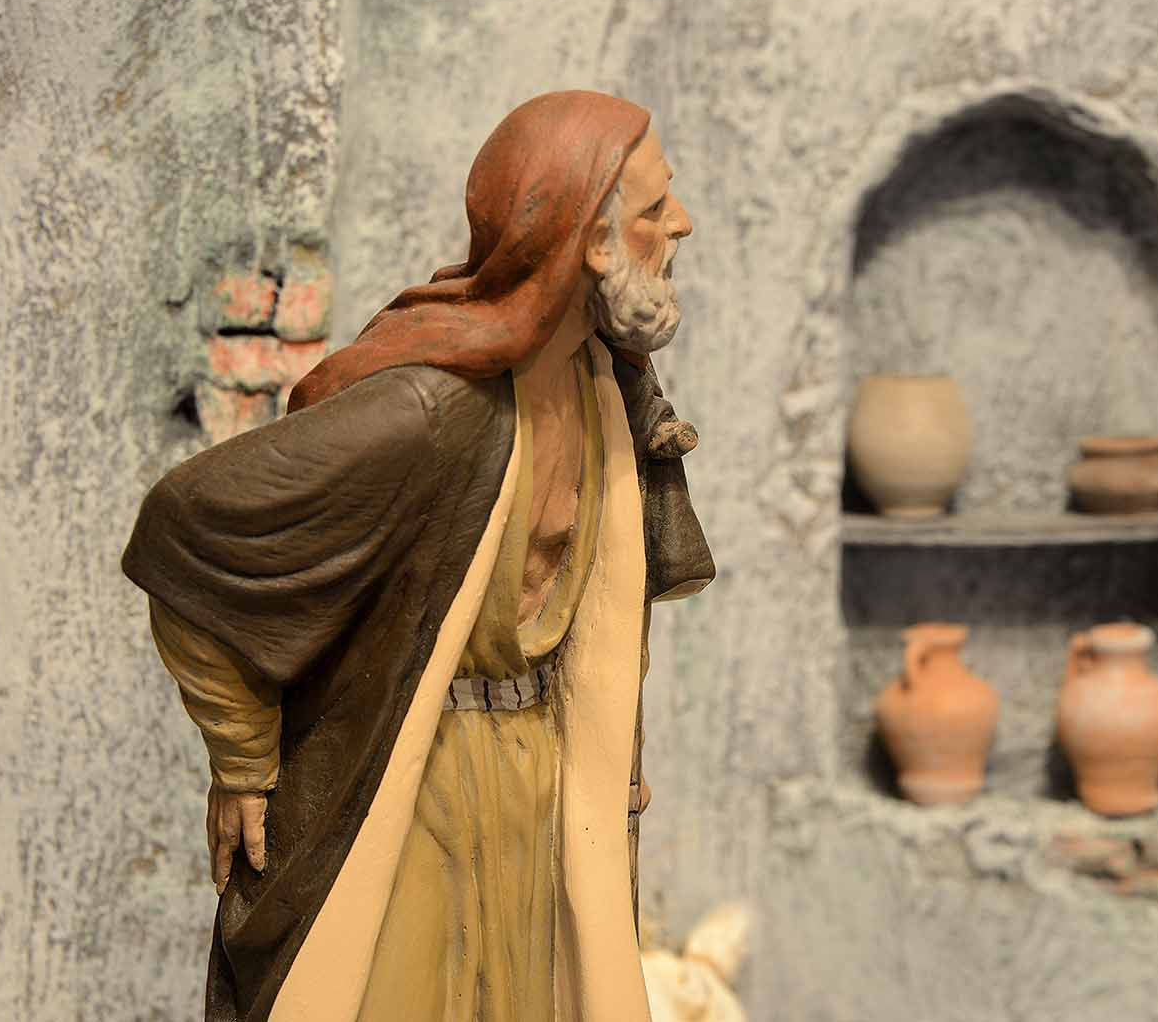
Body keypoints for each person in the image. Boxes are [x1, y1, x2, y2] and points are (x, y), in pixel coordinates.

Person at [122, 89, 714, 1022]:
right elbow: (186, 528)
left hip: (545, 792)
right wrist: (242, 756)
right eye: (653, 206)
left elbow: (606, 599)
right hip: (413, 793)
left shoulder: (607, 387)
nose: (680, 223)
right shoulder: (433, 411)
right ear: (591, 243)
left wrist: (617, 745)